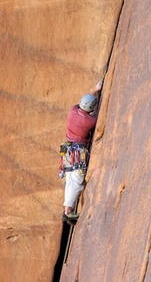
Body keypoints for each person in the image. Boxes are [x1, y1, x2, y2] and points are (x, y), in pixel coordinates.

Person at [60, 81, 102, 222]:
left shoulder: (72, 111)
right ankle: (67, 210)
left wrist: (94, 90)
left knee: (69, 178)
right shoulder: (89, 121)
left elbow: (83, 103)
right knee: (76, 180)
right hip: (77, 152)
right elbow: (93, 115)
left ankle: (67, 207)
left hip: (67, 149)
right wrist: (96, 92)